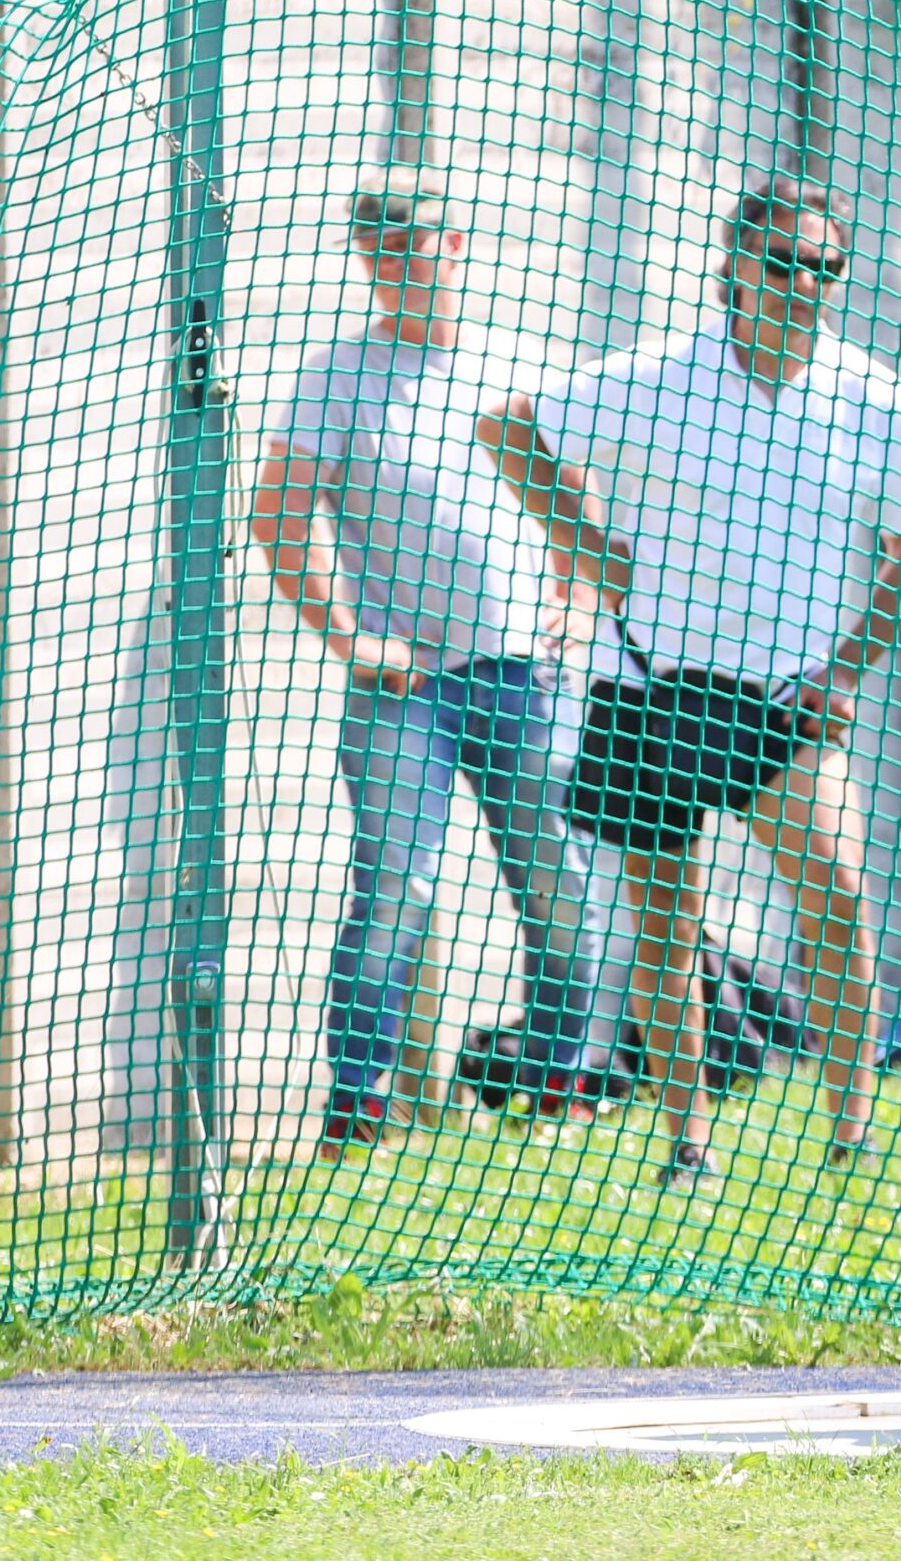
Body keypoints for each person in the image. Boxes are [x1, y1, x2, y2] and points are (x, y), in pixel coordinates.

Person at [480, 179, 901, 1189]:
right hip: (645, 683)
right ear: (734, 265)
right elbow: (508, 426)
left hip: (782, 699)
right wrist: (586, 544)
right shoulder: (657, 376)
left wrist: (846, 667)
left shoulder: (872, 395)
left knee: (835, 894)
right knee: (664, 921)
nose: (806, 284)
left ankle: (853, 1131)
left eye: (826, 268)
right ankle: (688, 1143)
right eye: (785, 263)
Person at [249, 171, 611, 1157]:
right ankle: (358, 1103)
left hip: (528, 678)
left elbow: (580, 504)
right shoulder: (336, 375)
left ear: (457, 247)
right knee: (395, 890)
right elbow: (278, 509)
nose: (397, 263)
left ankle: (558, 1085)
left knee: (559, 881)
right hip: (403, 689)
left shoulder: (518, 363)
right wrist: (348, 637)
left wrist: (579, 602)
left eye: (413, 244)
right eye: (379, 248)